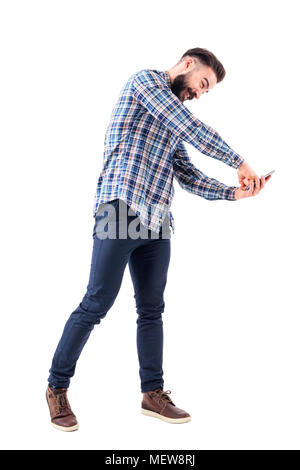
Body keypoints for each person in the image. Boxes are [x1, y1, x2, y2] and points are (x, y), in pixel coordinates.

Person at [46, 47, 271, 432]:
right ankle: (56, 387)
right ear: (186, 65)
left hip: (157, 221)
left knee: (152, 309)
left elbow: (186, 173)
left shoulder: (173, 119)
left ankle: (153, 393)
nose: (199, 94)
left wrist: (234, 193)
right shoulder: (145, 83)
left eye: (206, 92)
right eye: (202, 84)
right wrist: (240, 163)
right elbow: (188, 126)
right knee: (96, 302)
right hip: (119, 207)